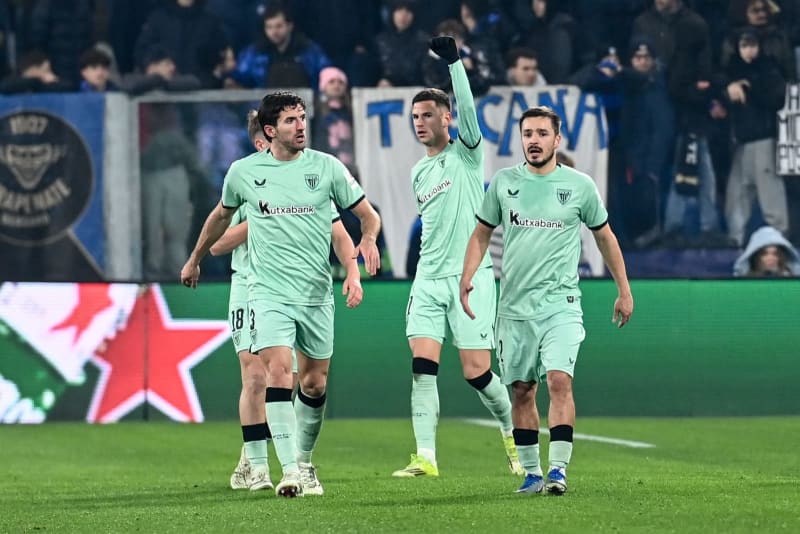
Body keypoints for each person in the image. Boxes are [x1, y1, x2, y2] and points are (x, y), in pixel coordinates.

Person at [180, 91, 381, 498]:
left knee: (314, 383)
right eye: (291, 121)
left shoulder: (326, 169)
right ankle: (284, 469)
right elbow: (219, 218)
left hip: (315, 293)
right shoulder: (243, 172)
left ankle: (303, 462)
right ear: (270, 132)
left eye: (303, 118)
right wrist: (195, 258)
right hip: (266, 291)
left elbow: (364, 217)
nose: (301, 126)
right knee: (274, 372)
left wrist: (365, 249)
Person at [460, 106, 633, 495]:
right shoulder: (504, 183)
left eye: (541, 133)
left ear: (557, 140)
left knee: (558, 380)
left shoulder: (580, 186)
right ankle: (532, 473)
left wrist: (624, 289)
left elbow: (605, 237)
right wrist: (467, 275)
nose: (533, 140)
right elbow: (481, 234)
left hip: (561, 303)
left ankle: (558, 470)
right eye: (527, 134)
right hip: (514, 307)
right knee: (522, 389)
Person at [392, 36, 522, 479]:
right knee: (422, 368)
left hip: (470, 278)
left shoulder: (467, 155)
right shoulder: (417, 172)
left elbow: (468, 109)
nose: (420, 123)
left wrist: (455, 64)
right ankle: (425, 457)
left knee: (476, 372)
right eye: (415, 117)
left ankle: (511, 432)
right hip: (428, 279)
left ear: (447, 118)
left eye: (428, 115)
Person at [733, 226, 800, 277]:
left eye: (775, 254)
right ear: (755, 257)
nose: (771, 258)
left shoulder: (791, 279)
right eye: (764, 254)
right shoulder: (745, 282)